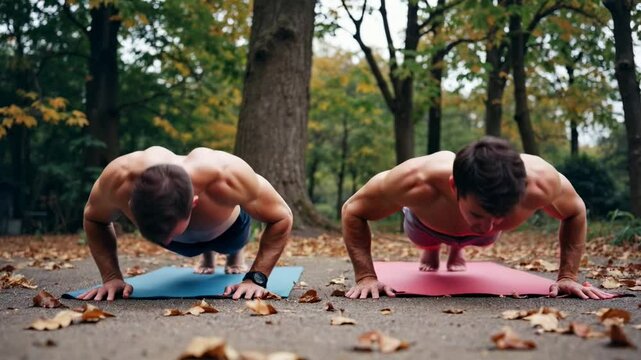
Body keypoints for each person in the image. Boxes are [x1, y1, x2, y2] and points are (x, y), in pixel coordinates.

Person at [341, 137, 613, 300]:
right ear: (454, 186)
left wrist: (568, 275)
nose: (489, 226)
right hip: (425, 225)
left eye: (501, 215)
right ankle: (432, 251)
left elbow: (576, 211)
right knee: (425, 240)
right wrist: (366, 276)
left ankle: (457, 249)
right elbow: (353, 210)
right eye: (479, 214)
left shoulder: (542, 183)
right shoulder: (415, 180)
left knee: (483, 237)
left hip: (476, 236)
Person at [79, 146, 292, 301]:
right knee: (188, 246)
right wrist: (111, 277)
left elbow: (281, 217)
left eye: (170, 232)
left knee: (233, 245)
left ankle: (234, 254)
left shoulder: (227, 175)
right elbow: (94, 218)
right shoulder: (118, 179)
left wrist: (256, 278)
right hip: (184, 248)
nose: (165, 240)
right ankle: (206, 255)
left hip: (230, 231)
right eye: (154, 234)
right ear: (131, 203)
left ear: (193, 203)